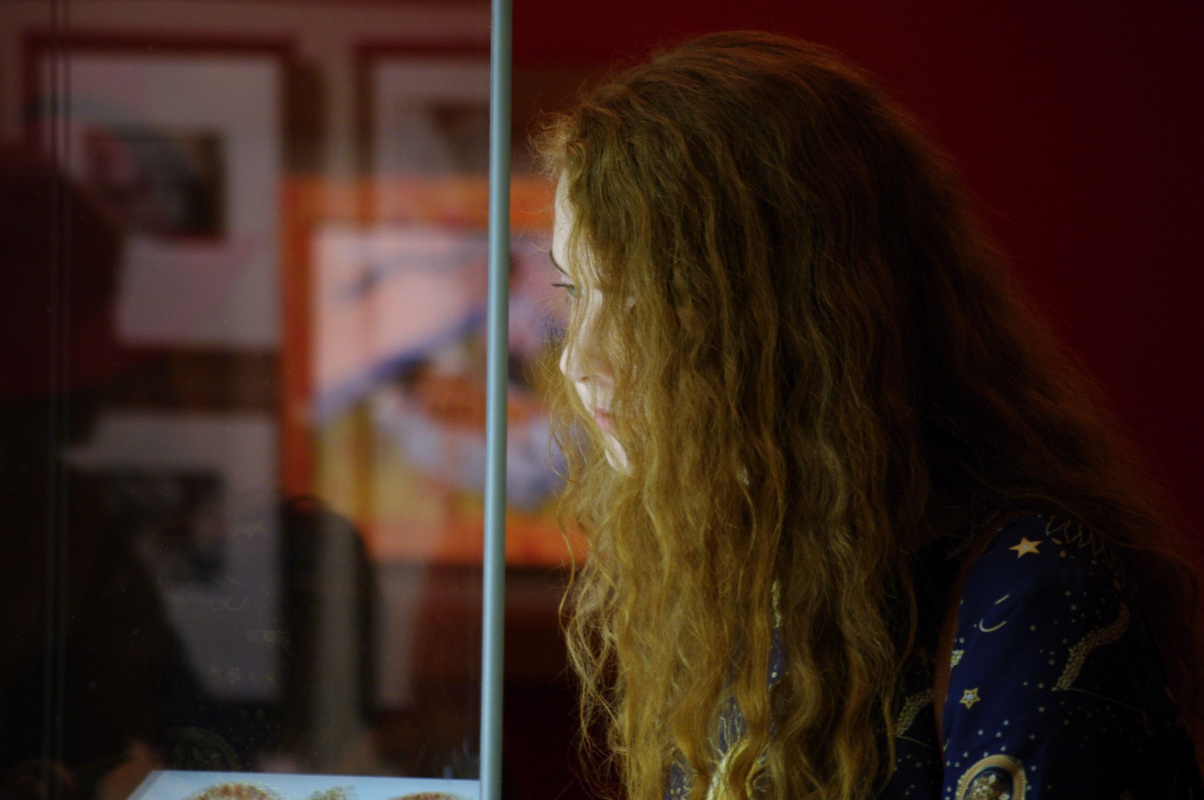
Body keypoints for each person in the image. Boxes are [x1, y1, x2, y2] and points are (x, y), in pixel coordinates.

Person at [536, 31, 1204, 800]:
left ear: (800, 317)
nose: (580, 359)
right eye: (574, 291)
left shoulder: (1030, 590)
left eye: (646, 299)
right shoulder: (737, 558)